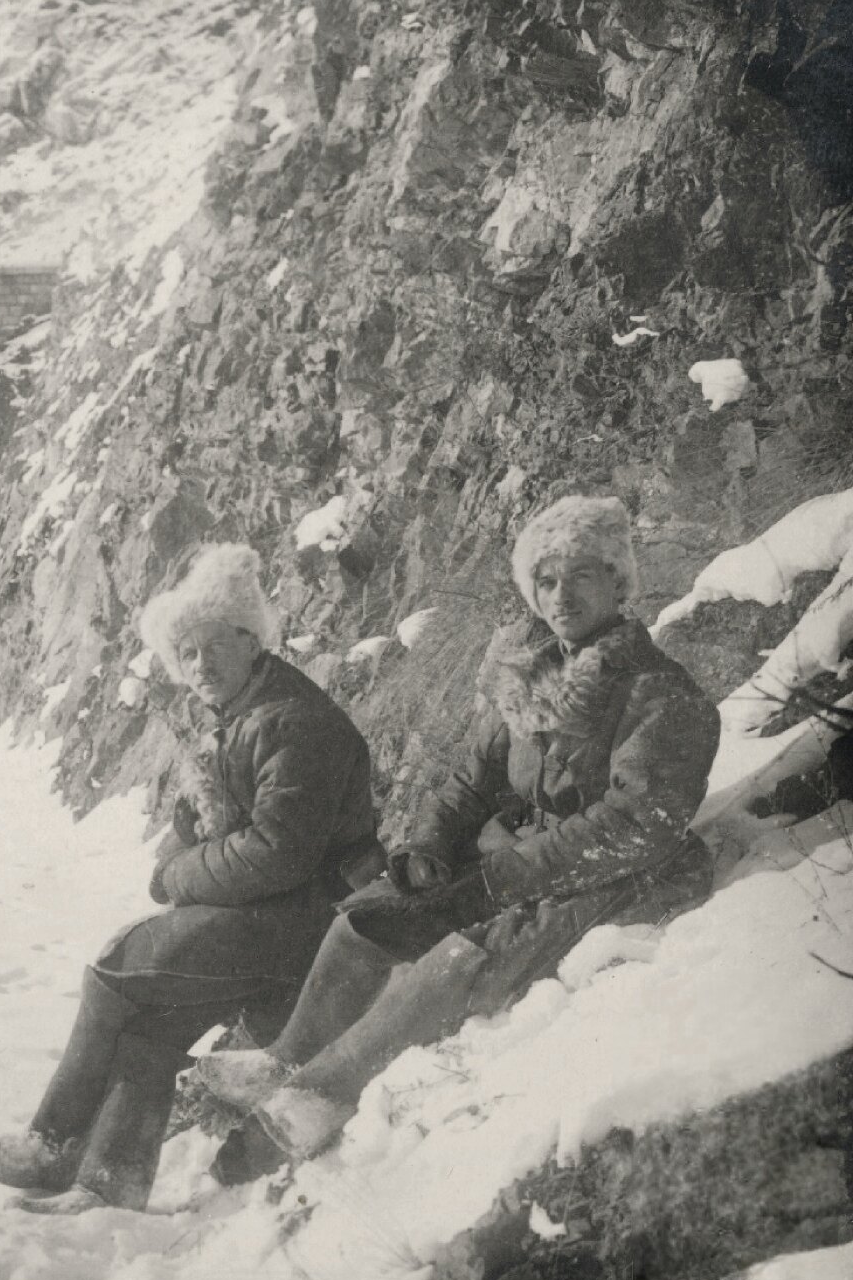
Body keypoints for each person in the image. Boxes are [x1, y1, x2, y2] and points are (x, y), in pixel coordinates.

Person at [195, 495, 722, 1158]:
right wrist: (426, 845)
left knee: (459, 958)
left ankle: (314, 1099)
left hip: (625, 878)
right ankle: (286, 1058)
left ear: (620, 582)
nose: (561, 595)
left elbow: (638, 824)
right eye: (546, 580)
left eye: (583, 575)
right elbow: (472, 782)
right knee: (368, 916)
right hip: (528, 862)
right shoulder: (535, 680)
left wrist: (505, 876)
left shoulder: (660, 692)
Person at [0, 544, 385, 1213]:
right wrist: (186, 838)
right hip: (279, 909)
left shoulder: (292, 722)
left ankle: (51, 1145)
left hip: (312, 917)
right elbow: (219, 823)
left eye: (214, 646)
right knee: (149, 1024)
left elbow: (279, 851)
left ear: (252, 641)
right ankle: (109, 1183)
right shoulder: (246, 711)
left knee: (117, 970)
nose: (199, 666)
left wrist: (177, 874)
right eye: (185, 653)